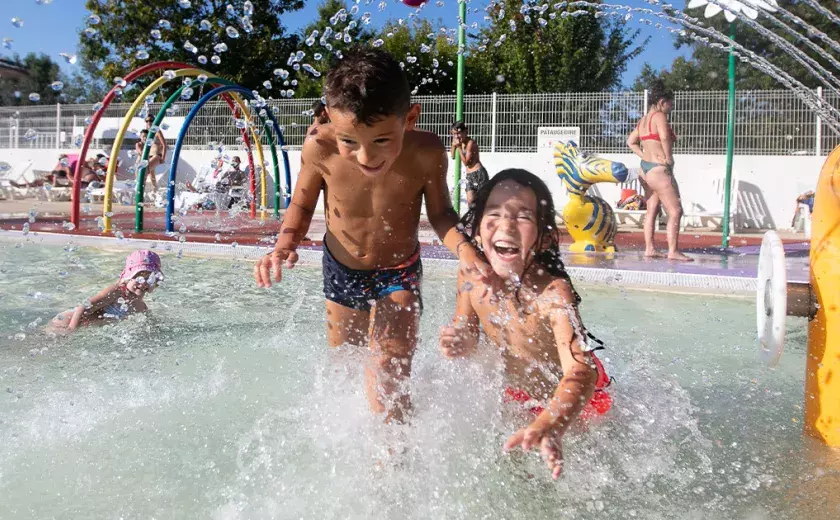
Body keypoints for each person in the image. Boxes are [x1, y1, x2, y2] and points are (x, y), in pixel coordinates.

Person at [253, 47, 490, 424]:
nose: (366, 156)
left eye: (382, 140)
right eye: (350, 141)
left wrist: (466, 251)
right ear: (330, 119)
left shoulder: (426, 152)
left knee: (389, 368)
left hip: (399, 270)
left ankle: (395, 458)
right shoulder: (320, 147)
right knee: (345, 367)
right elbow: (301, 206)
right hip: (342, 269)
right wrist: (283, 246)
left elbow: (441, 213)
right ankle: (356, 447)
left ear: (410, 118)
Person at [439, 169, 612, 480]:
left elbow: (581, 372)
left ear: (544, 238)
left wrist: (551, 423)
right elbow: (468, 334)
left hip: (573, 399)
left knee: (571, 473)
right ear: (477, 230)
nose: (505, 225)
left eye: (523, 217)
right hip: (519, 394)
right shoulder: (470, 275)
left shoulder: (553, 294)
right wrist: (459, 341)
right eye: (494, 213)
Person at [626, 80, 691, 261]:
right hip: (659, 170)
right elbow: (663, 137)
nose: (671, 107)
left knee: (652, 210)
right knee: (675, 211)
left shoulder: (643, 120)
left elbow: (630, 142)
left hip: (645, 170)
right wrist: (668, 158)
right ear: (662, 102)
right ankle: (673, 251)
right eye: (670, 104)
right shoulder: (659, 117)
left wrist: (644, 155)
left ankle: (649, 248)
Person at [47, 250, 163, 335]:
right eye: (139, 278)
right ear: (128, 277)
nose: (143, 283)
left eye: (150, 279)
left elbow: (148, 323)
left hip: (82, 327)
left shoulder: (140, 306)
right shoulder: (116, 292)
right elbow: (83, 307)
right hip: (66, 322)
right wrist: (71, 330)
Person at [450, 121, 488, 206]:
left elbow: (467, 163)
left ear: (465, 132)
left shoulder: (471, 143)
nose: (457, 136)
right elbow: (453, 156)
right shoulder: (458, 142)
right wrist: (453, 145)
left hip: (479, 174)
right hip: (469, 176)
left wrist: (459, 147)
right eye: (454, 134)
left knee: (482, 204)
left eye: (459, 133)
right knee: (471, 204)